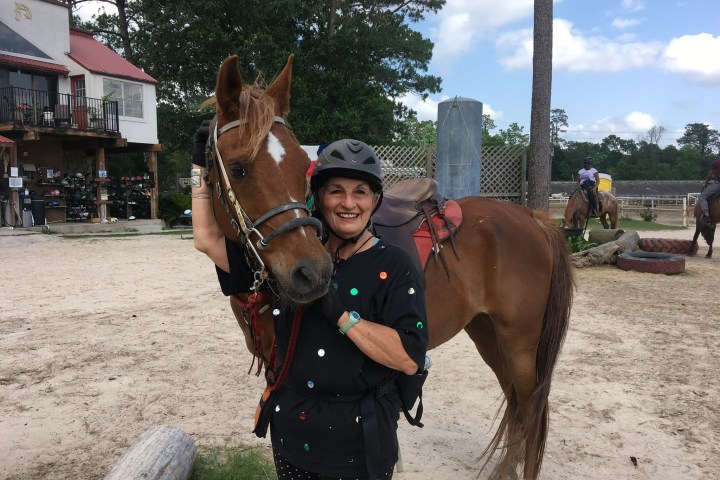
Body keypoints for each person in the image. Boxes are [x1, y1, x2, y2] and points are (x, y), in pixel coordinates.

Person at [190, 125, 429, 479]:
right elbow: (207, 238)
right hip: (290, 439)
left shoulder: (393, 265)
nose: (349, 203)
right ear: (317, 196)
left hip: (358, 448)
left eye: (360, 192)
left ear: (374, 201)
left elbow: (409, 358)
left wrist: (341, 315)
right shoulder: (286, 261)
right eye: (336, 192)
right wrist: (198, 169)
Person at [699, 155, 720, 224]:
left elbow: (709, 176)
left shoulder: (716, 163)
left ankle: (707, 216)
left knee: (702, 196)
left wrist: (705, 184)